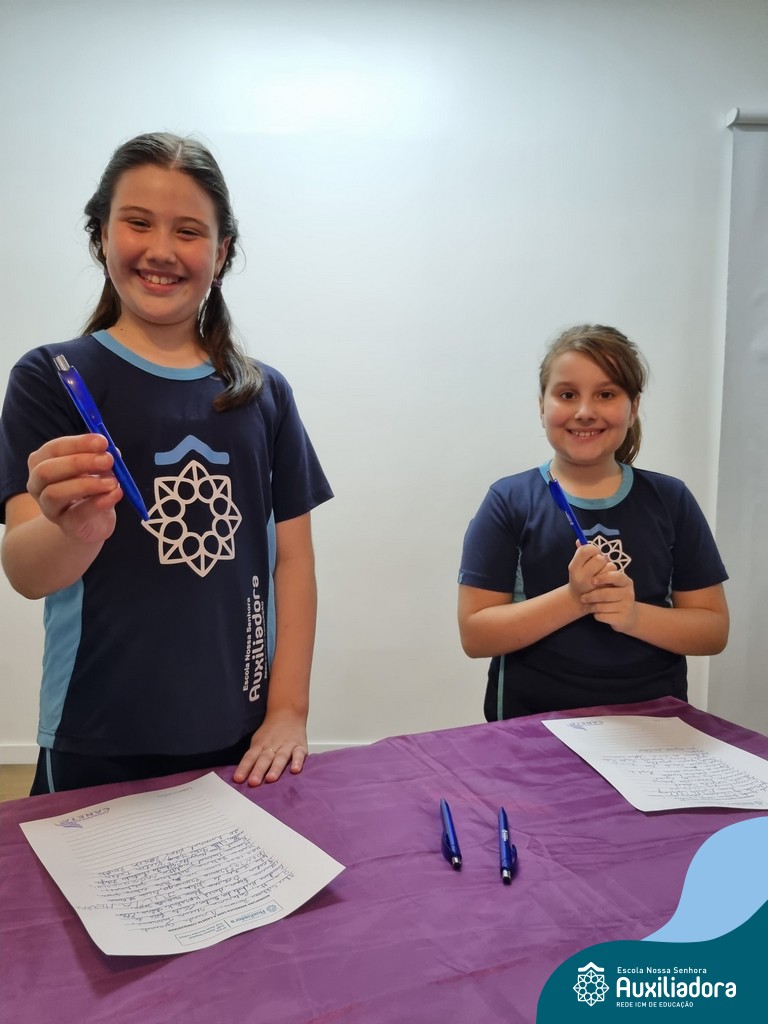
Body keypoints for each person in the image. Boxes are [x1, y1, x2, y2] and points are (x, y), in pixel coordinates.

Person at [0, 132, 333, 794]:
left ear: (221, 251)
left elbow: (293, 562)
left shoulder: (263, 394)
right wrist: (75, 531)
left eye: (188, 231)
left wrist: (288, 710)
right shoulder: (51, 378)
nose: (160, 250)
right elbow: (26, 573)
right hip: (96, 730)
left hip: (240, 729)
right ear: (100, 234)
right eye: (137, 223)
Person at [457, 324, 729, 720]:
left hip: (653, 724)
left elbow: (713, 630)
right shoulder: (509, 501)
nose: (585, 412)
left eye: (606, 394)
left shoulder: (671, 500)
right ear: (542, 405)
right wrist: (574, 599)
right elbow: (476, 635)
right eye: (567, 394)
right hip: (531, 726)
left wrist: (632, 615)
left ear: (633, 407)